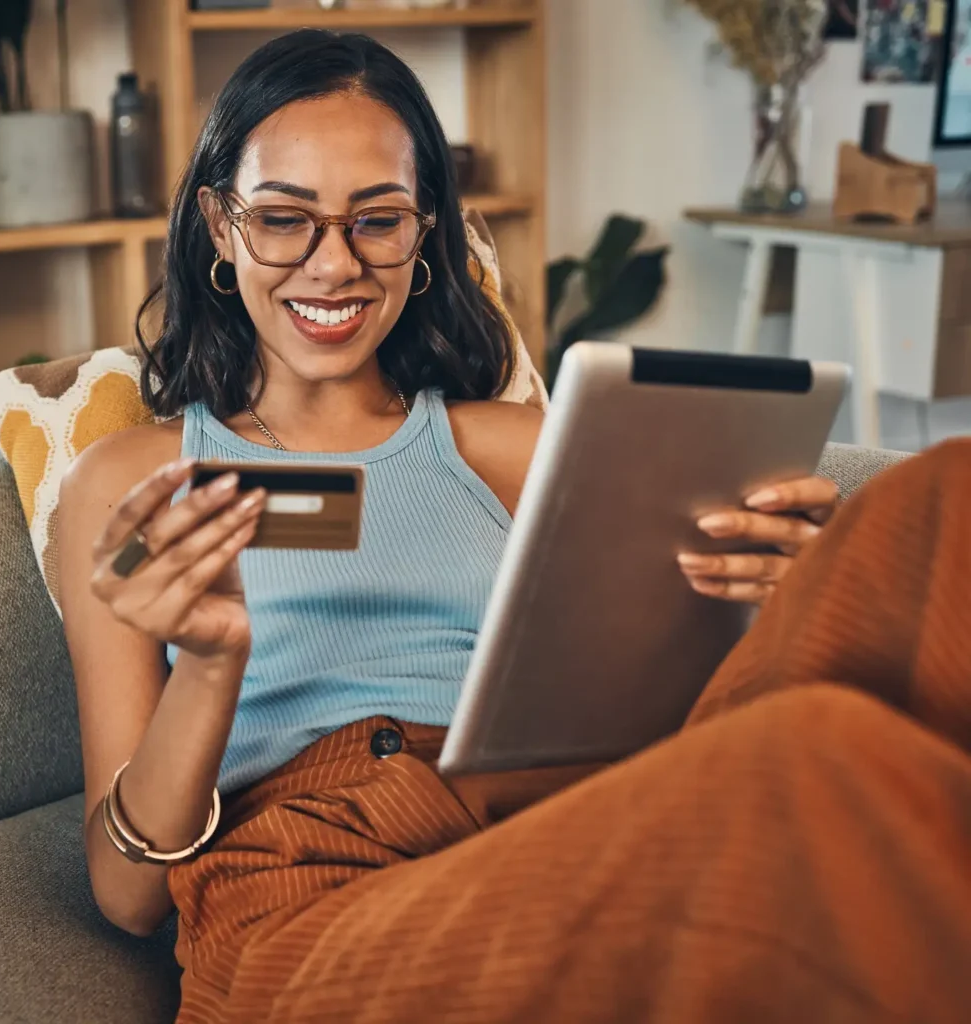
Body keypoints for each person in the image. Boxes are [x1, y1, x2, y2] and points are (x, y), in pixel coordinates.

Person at [57, 31, 854, 1023]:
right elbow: (127, 895)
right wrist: (213, 667)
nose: (332, 265)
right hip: (304, 866)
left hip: (533, 825)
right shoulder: (132, 480)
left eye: (376, 221)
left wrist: (796, 597)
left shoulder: (519, 448)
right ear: (221, 228)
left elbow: (661, 703)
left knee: (921, 542)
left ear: (423, 232)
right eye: (283, 219)